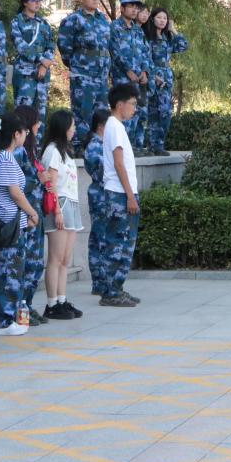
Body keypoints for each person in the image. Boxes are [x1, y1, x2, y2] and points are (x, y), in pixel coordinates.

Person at [0, 111, 39, 335]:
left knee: (11, 272)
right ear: (16, 134)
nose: (26, 135)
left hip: (13, 225)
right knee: (7, 273)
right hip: (7, 226)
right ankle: (1, 321)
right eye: (24, 132)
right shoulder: (5, 158)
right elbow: (15, 193)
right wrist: (32, 213)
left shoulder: (5, 157)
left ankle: (7, 317)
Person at [40, 110, 84, 320]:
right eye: (72, 126)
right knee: (55, 258)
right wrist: (57, 210)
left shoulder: (65, 151)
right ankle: (51, 304)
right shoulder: (52, 151)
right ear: (63, 127)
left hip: (71, 205)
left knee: (65, 259)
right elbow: (50, 183)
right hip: (60, 205)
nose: (74, 129)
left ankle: (62, 299)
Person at [58, 0, 111, 155]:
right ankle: (80, 145)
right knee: (83, 110)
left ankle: (97, 145)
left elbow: (107, 45)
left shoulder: (102, 19)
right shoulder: (73, 20)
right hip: (83, 73)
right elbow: (64, 46)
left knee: (101, 111)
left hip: (101, 74)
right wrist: (77, 65)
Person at [101, 83, 141, 307]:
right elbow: (118, 164)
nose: (134, 109)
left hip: (123, 192)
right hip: (119, 194)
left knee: (126, 244)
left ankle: (117, 287)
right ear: (120, 104)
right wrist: (129, 196)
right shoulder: (114, 126)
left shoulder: (117, 126)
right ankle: (110, 292)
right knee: (117, 244)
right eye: (132, 104)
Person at [12, 104, 48, 325]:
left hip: (35, 211)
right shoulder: (17, 152)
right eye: (36, 122)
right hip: (25, 214)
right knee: (25, 265)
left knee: (35, 264)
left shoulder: (31, 150)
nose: (38, 126)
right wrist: (38, 180)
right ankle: (20, 310)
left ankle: (28, 305)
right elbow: (15, 185)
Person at [10, 0, 54, 137]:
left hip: (42, 74)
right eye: (34, 0)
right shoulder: (17, 21)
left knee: (40, 113)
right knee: (22, 113)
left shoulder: (43, 23)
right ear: (25, 2)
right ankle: (20, 146)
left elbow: (50, 45)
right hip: (25, 74)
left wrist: (44, 65)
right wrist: (41, 60)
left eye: (39, 0)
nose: (37, 3)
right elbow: (21, 46)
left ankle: (37, 146)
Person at [143, 8, 188, 155]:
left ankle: (159, 145)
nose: (162, 20)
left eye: (165, 18)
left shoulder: (167, 37)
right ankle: (152, 145)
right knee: (153, 112)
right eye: (159, 17)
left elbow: (183, 46)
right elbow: (145, 58)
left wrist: (173, 30)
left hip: (166, 77)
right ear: (152, 19)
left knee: (165, 113)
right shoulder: (147, 37)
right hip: (153, 77)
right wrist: (153, 76)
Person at [109, 0, 149, 150]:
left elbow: (145, 52)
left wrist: (144, 71)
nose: (134, 10)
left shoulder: (138, 30)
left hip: (138, 79)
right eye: (131, 6)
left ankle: (131, 147)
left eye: (136, 7)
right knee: (123, 111)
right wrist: (128, 70)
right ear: (122, 8)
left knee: (135, 111)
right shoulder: (114, 27)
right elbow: (115, 51)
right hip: (122, 78)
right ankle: (121, 147)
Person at [84, 108, 111, 297]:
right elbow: (103, 172)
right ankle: (99, 281)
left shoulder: (103, 144)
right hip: (100, 195)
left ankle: (104, 280)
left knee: (103, 238)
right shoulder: (95, 145)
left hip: (104, 194)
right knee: (99, 239)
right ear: (101, 126)